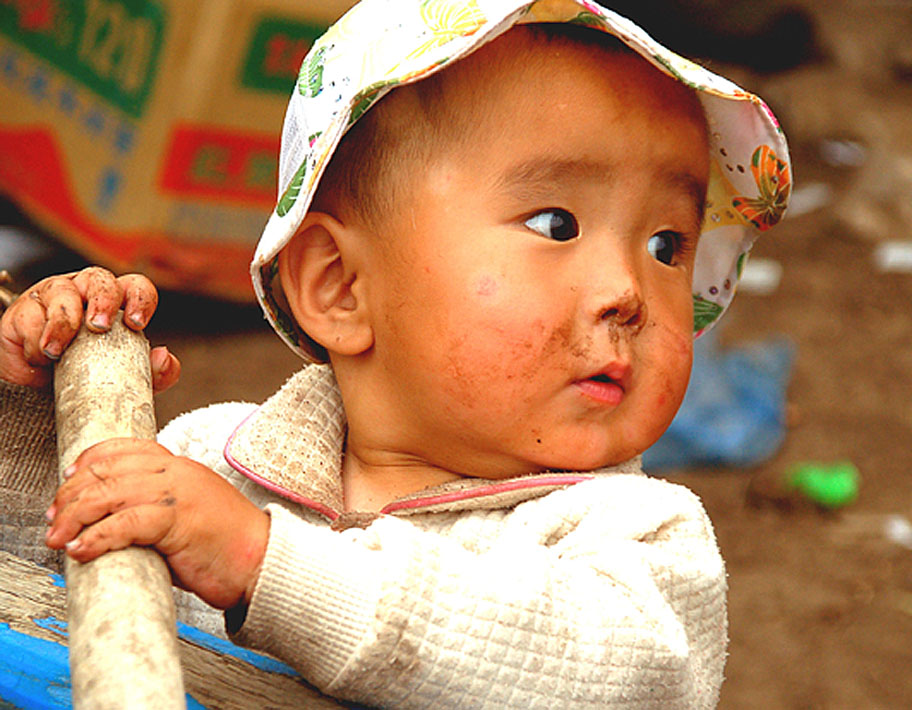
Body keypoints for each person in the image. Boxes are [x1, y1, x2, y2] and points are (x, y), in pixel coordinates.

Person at [0, 0, 792, 707]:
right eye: (557, 224)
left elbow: (598, 673)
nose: (628, 289)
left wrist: (264, 563)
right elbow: (39, 583)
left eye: (667, 244)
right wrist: (34, 413)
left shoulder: (641, 544)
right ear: (341, 286)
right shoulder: (210, 460)